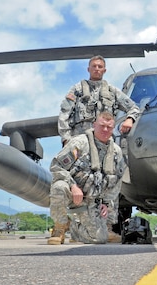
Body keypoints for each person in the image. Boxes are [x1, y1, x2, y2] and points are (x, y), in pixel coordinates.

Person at [48, 111, 126, 244]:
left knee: (99, 239)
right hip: (73, 194)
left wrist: (106, 204)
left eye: (109, 127)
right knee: (59, 187)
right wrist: (72, 186)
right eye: (102, 126)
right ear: (94, 125)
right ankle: (60, 228)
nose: (105, 130)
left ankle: (76, 229)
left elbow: (116, 183)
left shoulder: (116, 152)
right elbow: (56, 166)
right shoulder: (79, 143)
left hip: (92, 200)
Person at [58, 55, 141, 145]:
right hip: (80, 141)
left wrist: (130, 119)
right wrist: (66, 139)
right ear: (88, 69)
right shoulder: (77, 89)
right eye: (94, 66)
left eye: (100, 67)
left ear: (104, 70)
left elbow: (134, 107)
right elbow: (64, 114)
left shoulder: (112, 91)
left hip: (104, 142)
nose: (97, 69)